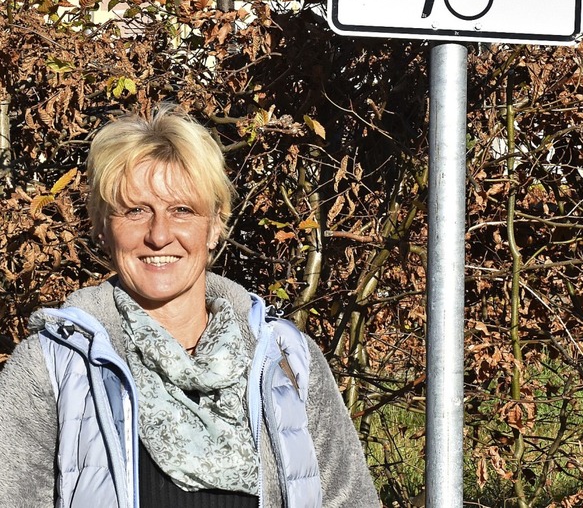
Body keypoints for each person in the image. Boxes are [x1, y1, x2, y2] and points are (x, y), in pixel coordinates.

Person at [0, 105, 380, 508]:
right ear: (102, 226)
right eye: (135, 210)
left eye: (182, 210)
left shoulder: (286, 360)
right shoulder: (52, 368)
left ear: (215, 225)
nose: (159, 235)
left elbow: (349, 499)